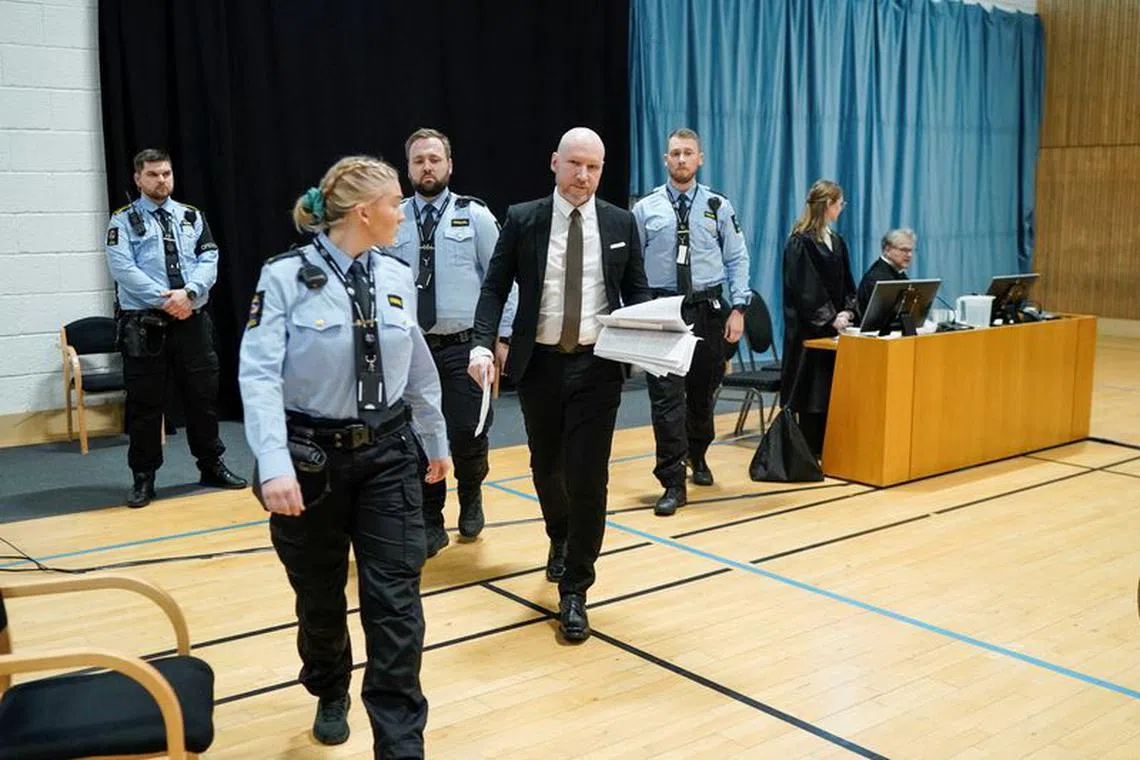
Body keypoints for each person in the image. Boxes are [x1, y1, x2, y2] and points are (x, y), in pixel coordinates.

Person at [239, 156, 449, 758]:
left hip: (387, 455)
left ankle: (401, 745)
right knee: (321, 600)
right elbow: (257, 375)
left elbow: (416, 364)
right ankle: (330, 688)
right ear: (363, 212)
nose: (402, 212)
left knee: (397, 606)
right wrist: (273, 462)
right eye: (393, 204)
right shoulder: (283, 277)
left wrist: (434, 439)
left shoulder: (396, 275)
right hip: (310, 465)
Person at [467, 127, 651, 643]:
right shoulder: (523, 218)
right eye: (574, 164)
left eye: (593, 167)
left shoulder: (620, 221)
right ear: (554, 162)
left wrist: (654, 337)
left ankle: (576, 589)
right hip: (539, 366)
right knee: (546, 467)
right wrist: (484, 344)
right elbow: (495, 286)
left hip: (597, 367)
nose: (582, 176)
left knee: (589, 477)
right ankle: (559, 536)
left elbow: (635, 290)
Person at [382, 128, 516, 557]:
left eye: (434, 159)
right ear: (408, 168)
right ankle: (430, 519)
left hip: (465, 345)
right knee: (418, 436)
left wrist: (503, 335)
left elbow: (502, 279)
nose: (427, 167)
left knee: (467, 431)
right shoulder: (394, 218)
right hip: (411, 346)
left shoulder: (473, 215)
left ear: (449, 165)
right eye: (419, 160)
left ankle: (472, 493)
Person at [104, 148, 246, 508]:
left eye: (166, 173)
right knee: (145, 404)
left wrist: (191, 293)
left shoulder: (191, 216)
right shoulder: (122, 221)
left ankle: (211, 464)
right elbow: (123, 269)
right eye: (153, 174)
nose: (161, 180)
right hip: (145, 325)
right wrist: (169, 299)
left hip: (192, 321)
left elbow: (210, 258)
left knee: (203, 396)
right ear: (138, 178)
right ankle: (143, 476)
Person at [632, 128, 751, 517]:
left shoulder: (718, 206)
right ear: (665, 160)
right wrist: (635, 313)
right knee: (665, 400)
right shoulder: (646, 208)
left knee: (702, 394)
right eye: (674, 154)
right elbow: (632, 266)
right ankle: (671, 481)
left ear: (700, 159)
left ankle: (697, 455)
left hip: (709, 310)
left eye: (688, 153)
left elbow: (737, 259)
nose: (681, 160)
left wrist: (739, 308)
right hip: (664, 308)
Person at [781, 179, 858, 457]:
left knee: (830, 392)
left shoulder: (837, 241)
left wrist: (849, 310)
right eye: (840, 203)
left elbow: (848, 282)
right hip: (808, 332)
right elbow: (804, 289)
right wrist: (829, 317)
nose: (842, 208)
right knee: (811, 395)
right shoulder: (800, 242)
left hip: (836, 329)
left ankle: (831, 448)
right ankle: (809, 451)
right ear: (828, 205)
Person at [857, 228, 915, 317]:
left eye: (910, 250)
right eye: (904, 250)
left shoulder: (898, 272)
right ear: (888, 250)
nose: (909, 255)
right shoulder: (877, 277)